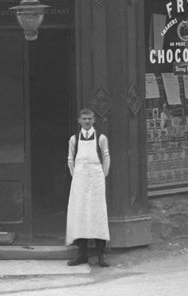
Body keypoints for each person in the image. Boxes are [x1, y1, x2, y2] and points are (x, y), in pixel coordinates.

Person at [65, 107, 110, 267]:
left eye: (89, 118)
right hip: (80, 181)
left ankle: (101, 255)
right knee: (80, 215)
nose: (87, 121)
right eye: (84, 119)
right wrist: (76, 175)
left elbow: (106, 156)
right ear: (79, 120)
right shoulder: (74, 139)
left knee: (97, 214)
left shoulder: (101, 138)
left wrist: (102, 175)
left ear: (94, 120)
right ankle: (82, 254)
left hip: (96, 180)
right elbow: (70, 159)